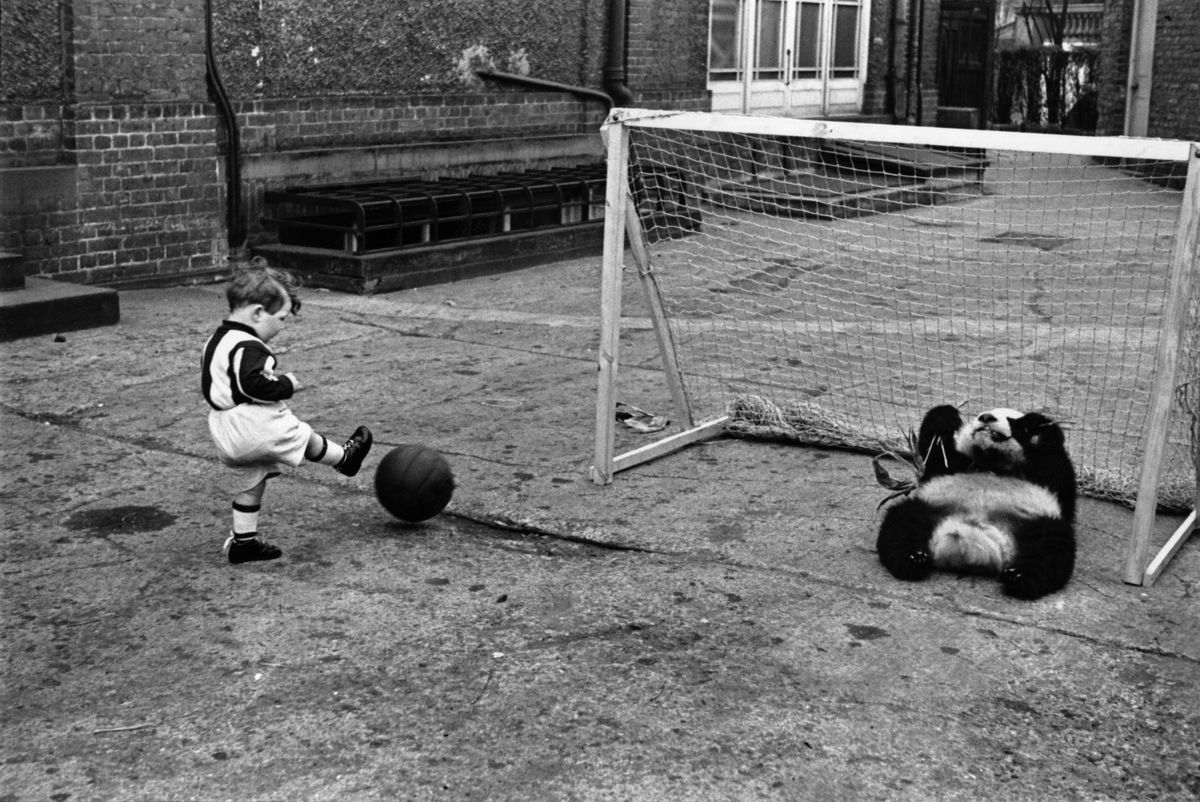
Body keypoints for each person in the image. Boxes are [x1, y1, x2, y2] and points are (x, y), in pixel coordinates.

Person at [201, 260, 372, 563]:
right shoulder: (249, 345)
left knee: (252, 483)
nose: (282, 326)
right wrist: (285, 384)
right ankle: (345, 459)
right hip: (251, 421)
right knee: (302, 435)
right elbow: (252, 384)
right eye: (280, 318)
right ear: (257, 313)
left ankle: (244, 542)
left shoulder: (216, 341)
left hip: (224, 429)